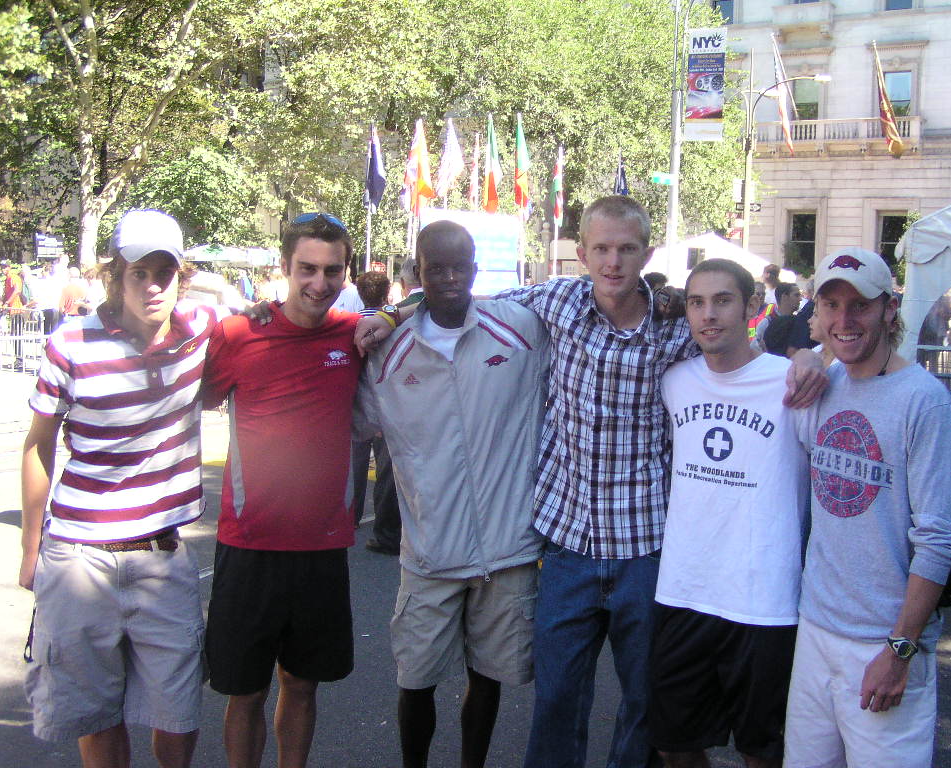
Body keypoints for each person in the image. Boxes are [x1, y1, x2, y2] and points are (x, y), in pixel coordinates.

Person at [355, 196, 824, 768]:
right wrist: (391, 313)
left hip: (644, 549)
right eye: (600, 248)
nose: (613, 261)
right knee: (556, 699)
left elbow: (743, 351)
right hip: (567, 545)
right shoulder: (552, 303)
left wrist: (807, 356)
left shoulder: (676, 327)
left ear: (646, 253)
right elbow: (457, 299)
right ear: (581, 254)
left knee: (642, 703)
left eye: (627, 249)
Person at [19, 209, 211, 768]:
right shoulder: (71, 343)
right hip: (80, 559)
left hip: (163, 557)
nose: (152, 286)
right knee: (98, 717)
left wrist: (393, 315)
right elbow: (37, 445)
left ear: (182, 277)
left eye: (164, 272)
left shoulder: (200, 331)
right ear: (115, 276)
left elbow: (285, 315)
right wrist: (31, 549)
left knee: (178, 717)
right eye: (137, 273)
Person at [354, 220, 548, 768]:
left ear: (475, 270)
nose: (448, 278)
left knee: (488, 680)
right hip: (430, 552)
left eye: (459, 266)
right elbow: (352, 418)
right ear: (417, 272)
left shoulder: (520, 329)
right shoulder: (386, 350)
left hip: (508, 549)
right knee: (415, 680)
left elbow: (584, 302)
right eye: (435, 267)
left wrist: (664, 298)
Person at [784, 247, 951, 768]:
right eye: (831, 304)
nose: (845, 320)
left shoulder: (923, 402)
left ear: (889, 309)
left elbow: (938, 539)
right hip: (816, 628)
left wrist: (900, 650)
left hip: (883, 643)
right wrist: (804, 357)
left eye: (860, 305)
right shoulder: (823, 384)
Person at [202, 212, 362, 768]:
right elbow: (188, 393)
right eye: (307, 269)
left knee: (302, 685)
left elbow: (429, 304)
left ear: (347, 272)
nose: (319, 283)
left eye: (332, 270)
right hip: (249, 546)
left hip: (321, 549)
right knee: (244, 691)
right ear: (284, 267)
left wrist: (389, 311)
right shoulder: (238, 333)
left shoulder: (355, 334)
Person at [650, 259, 810, 768]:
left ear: (752, 308)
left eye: (722, 301)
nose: (708, 314)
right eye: (697, 302)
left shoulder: (793, 384)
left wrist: (815, 355)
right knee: (674, 741)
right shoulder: (674, 380)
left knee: (760, 748)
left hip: (761, 598)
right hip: (684, 589)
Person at [349, 270, 402, 555]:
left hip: (357, 408)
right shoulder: (393, 324)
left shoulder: (352, 323)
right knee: (385, 473)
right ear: (386, 294)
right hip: (386, 407)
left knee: (355, 466)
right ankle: (384, 530)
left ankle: (351, 518)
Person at [759, 282, 812, 358]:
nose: (800, 299)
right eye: (796, 295)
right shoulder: (767, 322)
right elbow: (756, 348)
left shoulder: (800, 322)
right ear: (784, 297)